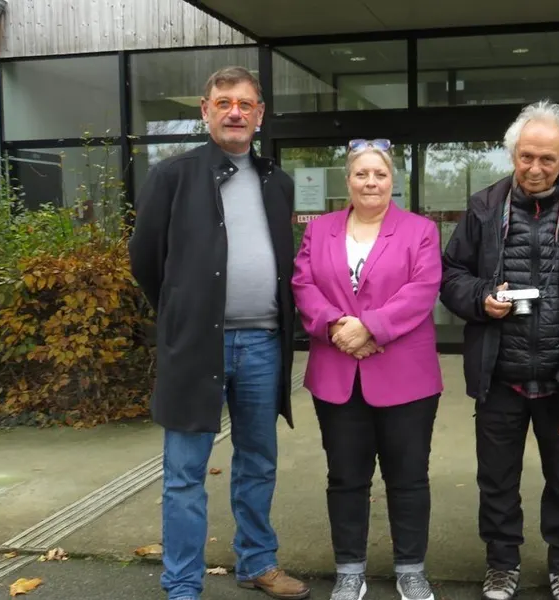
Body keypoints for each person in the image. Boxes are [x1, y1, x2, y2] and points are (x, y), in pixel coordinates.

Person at [128, 66, 309, 600]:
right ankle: (183, 584)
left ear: (260, 115)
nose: (236, 111)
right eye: (224, 102)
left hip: (262, 345)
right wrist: (183, 314)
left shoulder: (278, 181)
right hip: (197, 345)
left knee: (258, 460)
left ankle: (257, 563)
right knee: (185, 472)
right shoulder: (173, 176)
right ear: (205, 111)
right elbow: (145, 259)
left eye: (246, 104)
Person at [439, 101, 559, 600]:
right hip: (500, 377)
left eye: (548, 159)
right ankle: (501, 563)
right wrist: (480, 298)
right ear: (512, 155)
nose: (536, 169)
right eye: (527, 157)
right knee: (497, 481)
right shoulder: (482, 210)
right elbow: (450, 276)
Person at [292, 138, 444, 600]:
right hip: (337, 375)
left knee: (408, 477)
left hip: (406, 376)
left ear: (392, 180)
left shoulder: (420, 230)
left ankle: (411, 570)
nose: (371, 182)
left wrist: (371, 328)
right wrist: (339, 326)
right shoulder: (320, 230)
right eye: (362, 174)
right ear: (348, 180)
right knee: (346, 477)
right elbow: (303, 283)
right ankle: (350, 571)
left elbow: (423, 288)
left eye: (379, 174)